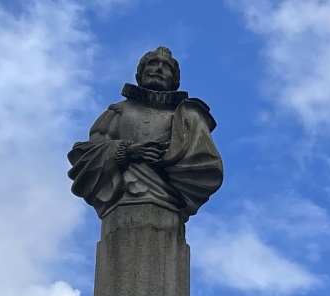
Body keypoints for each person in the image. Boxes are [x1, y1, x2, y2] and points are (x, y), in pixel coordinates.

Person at [68, 47, 223, 220]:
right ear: (139, 75)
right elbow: (88, 156)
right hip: (119, 202)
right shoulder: (118, 111)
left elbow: (206, 165)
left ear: (175, 82)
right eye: (153, 63)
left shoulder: (188, 117)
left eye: (167, 67)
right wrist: (125, 151)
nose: (158, 69)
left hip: (169, 204)